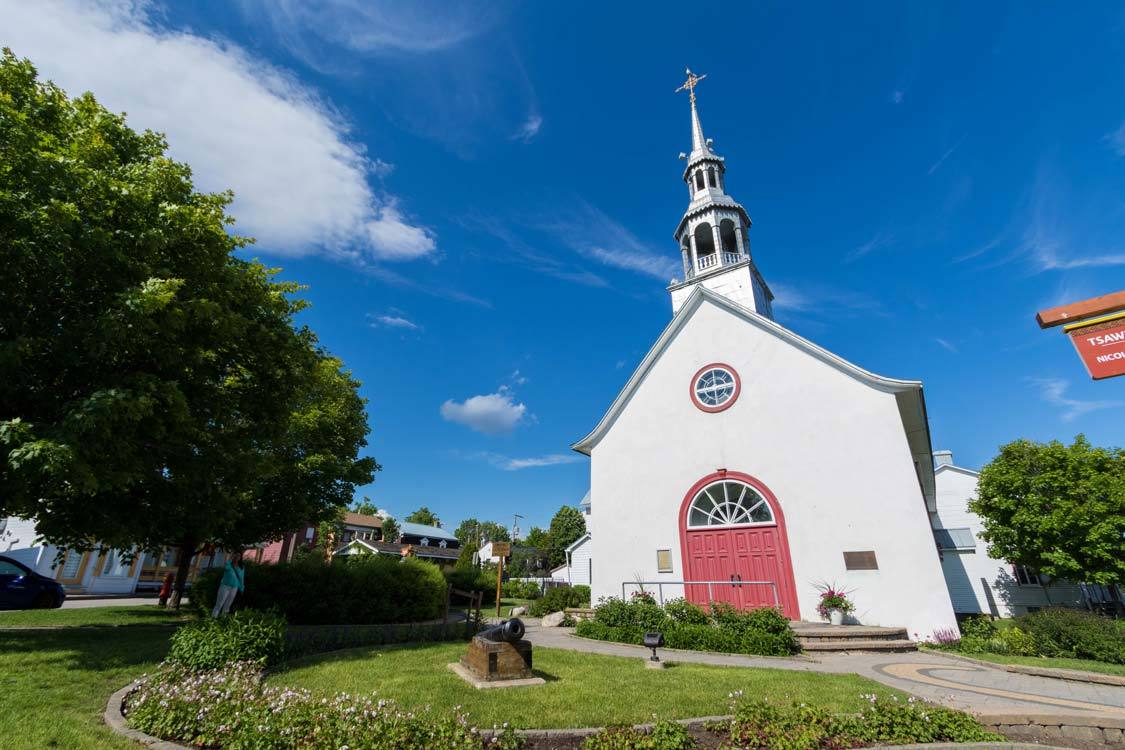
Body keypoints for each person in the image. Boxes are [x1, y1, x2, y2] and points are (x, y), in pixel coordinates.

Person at [211, 553, 245, 617]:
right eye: (236, 555)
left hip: (234, 587)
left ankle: (223, 619)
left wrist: (242, 588)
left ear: (240, 558)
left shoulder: (241, 567)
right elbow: (226, 567)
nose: (237, 557)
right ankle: (213, 619)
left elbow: (241, 578)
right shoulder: (229, 564)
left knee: (228, 605)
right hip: (225, 586)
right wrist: (230, 559)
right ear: (233, 556)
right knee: (219, 604)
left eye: (239, 556)